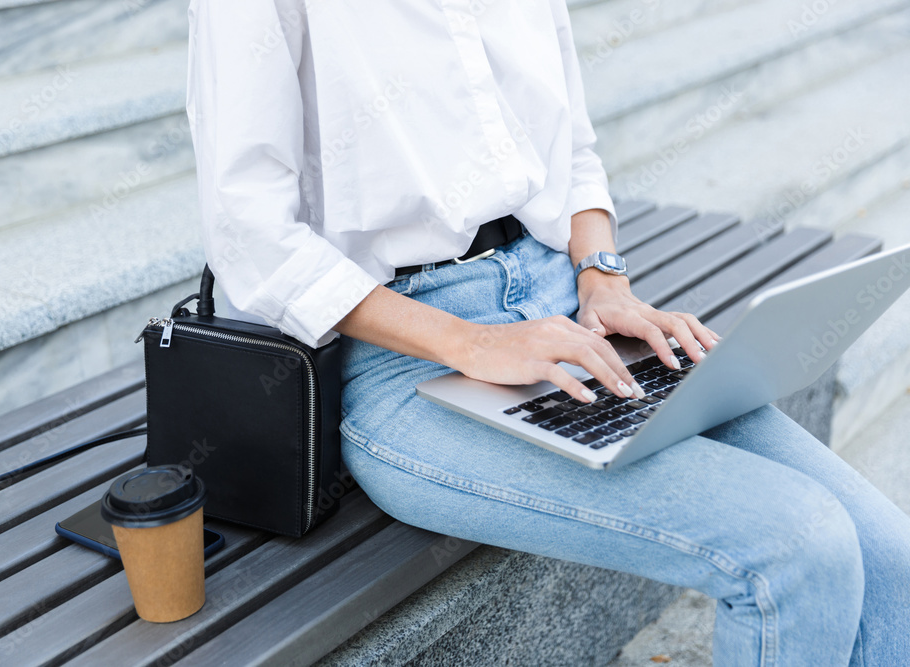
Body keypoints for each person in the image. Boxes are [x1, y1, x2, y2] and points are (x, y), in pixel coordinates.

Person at [185, 1, 910, 663]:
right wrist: (472, 343)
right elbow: (249, 232)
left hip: (562, 313)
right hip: (405, 360)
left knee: (889, 556)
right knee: (797, 547)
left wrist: (603, 280)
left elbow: (572, 154)